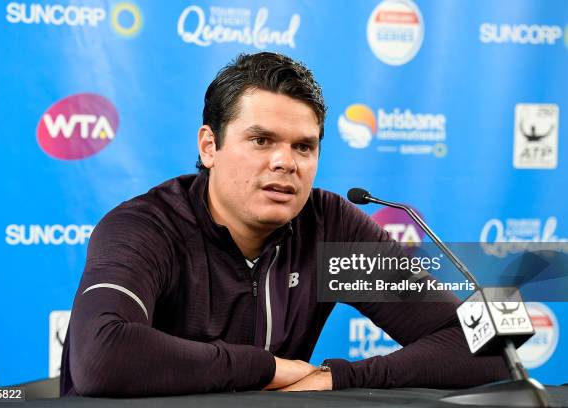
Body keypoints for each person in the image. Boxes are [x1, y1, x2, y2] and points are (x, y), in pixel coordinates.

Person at [60, 52, 507, 397]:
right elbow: (103, 354)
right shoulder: (146, 226)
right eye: (261, 140)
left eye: (303, 147)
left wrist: (339, 378)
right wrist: (270, 368)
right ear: (209, 145)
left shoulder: (329, 229)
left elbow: (488, 346)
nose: (285, 163)